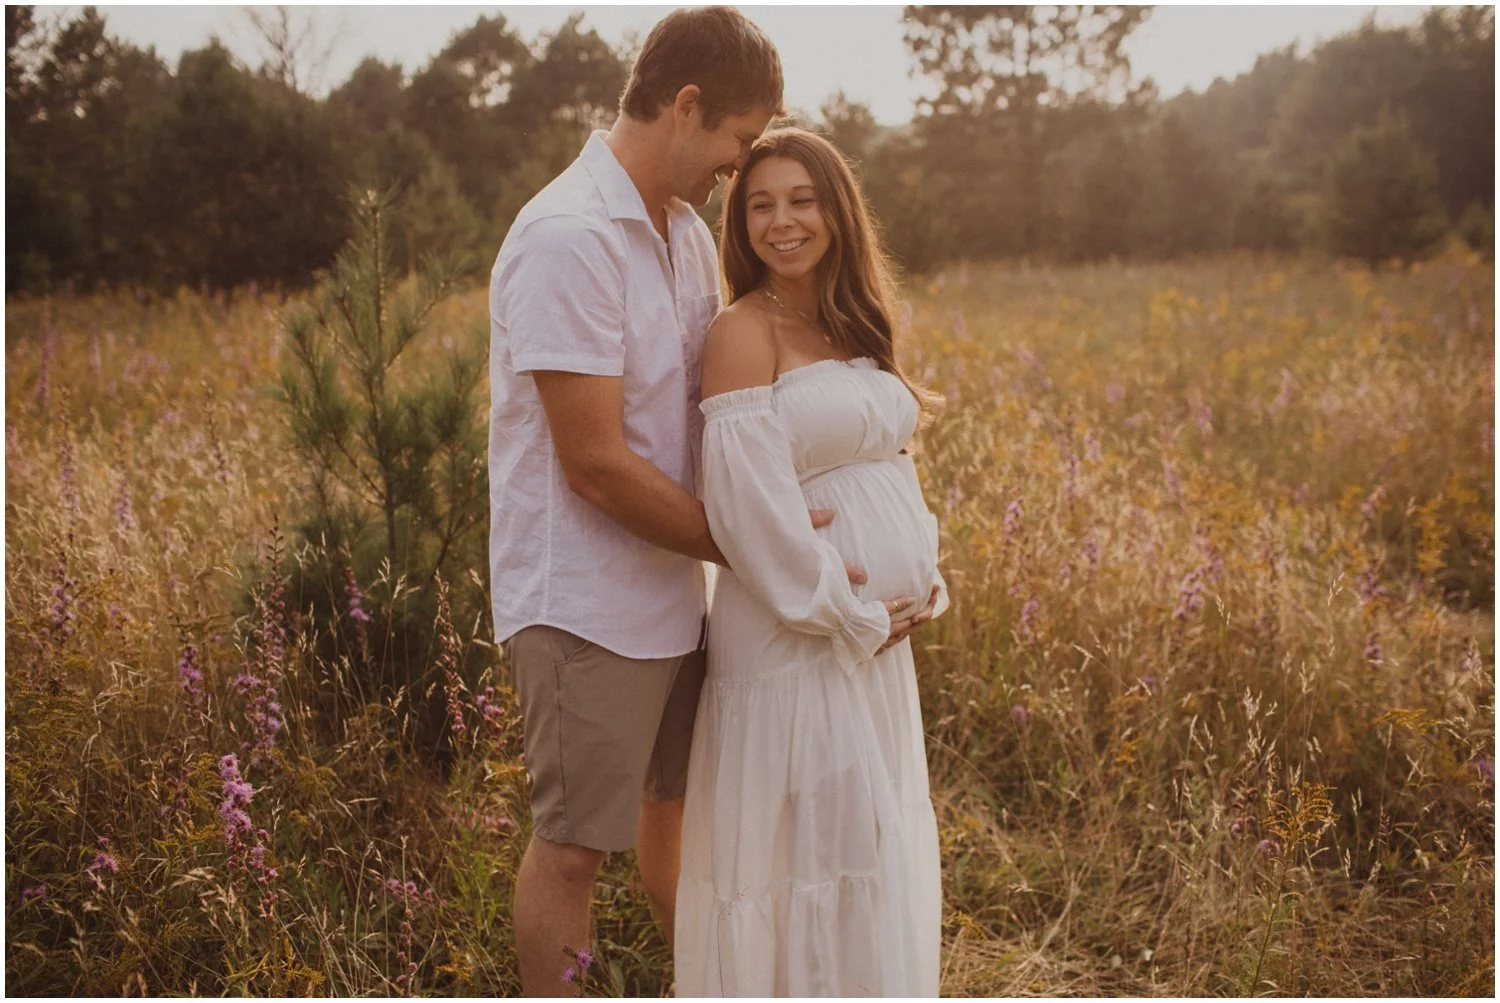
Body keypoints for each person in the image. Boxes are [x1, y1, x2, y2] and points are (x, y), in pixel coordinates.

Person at [487, 8, 933, 995]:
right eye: (738, 141)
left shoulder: (681, 235)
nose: (740, 169)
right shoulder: (568, 237)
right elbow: (594, 463)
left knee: (678, 813)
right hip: (586, 605)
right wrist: (761, 550)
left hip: (678, 597)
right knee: (572, 849)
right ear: (687, 106)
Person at [674, 127, 949, 997]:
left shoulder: (851, 320)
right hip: (801, 636)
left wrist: (923, 569)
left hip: (870, 648)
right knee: (800, 860)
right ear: (740, 222)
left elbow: (890, 467)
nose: (781, 221)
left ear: (837, 210)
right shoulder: (742, 331)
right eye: (760, 204)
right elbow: (748, 513)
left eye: (801, 199)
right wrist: (850, 610)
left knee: (864, 838)